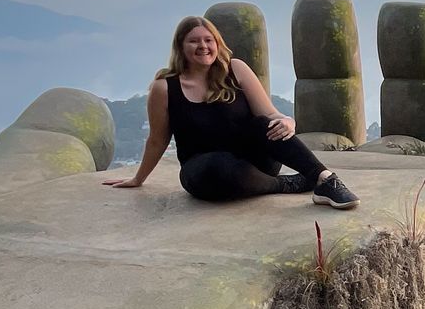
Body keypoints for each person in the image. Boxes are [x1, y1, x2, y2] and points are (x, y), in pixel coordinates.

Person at [103, 15, 359, 208]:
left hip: (254, 162)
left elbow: (269, 114)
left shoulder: (235, 69)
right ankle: (290, 184)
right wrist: (138, 179)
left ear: (217, 43)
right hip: (206, 171)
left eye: (208, 40)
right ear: (181, 47)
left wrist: (288, 121)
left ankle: (325, 180)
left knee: (265, 126)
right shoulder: (164, 87)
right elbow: (157, 139)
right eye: (194, 41)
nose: (203, 46)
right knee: (219, 166)